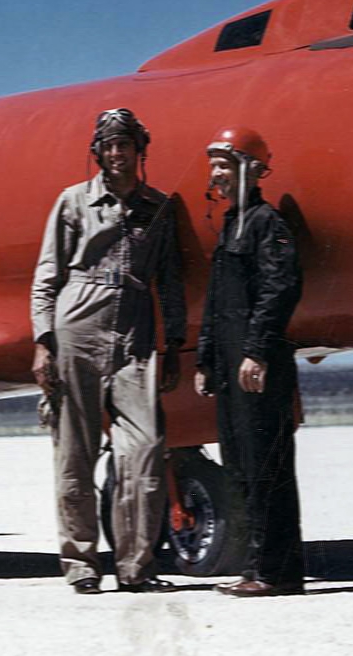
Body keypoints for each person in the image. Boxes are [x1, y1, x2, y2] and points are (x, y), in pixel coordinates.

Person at [31, 107, 186, 594]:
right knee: (75, 451)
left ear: (141, 151)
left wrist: (175, 342)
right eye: (109, 145)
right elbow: (47, 276)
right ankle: (80, 563)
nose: (117, 154)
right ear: (97, 152)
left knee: (144, 451)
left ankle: (136, 566)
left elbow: (172, 282)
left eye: (126, 145)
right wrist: (43, 343)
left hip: (136, 333)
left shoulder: (160, 208)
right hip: (78, 323)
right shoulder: (73, 202)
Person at [194, 126, 305, 596]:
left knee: (267, 467)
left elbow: (281, 289)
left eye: (224, 164)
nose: (216, 175)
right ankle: (256, 567)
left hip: (258, 366)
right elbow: (218, 301)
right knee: (241, 466)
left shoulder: (265, 223)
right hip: (232, 366)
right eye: (214, 166)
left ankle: (276, 573)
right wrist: (205, 360)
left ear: (251, 169)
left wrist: (256, 351)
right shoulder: (232, 224)